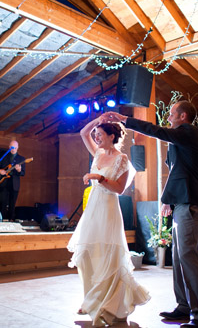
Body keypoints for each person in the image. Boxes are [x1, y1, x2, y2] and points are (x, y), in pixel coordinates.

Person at [104, 100, 198, 328]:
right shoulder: (179, 141)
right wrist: (167, 200)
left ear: (183, 116)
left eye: (172, 113)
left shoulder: (189, 132)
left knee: (188, 257)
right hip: (181, 203)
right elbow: (176, 173)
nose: (169, 117)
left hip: (191, 204)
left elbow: (157, 131)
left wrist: (125, 120)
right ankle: (184, 308)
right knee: (177, 257)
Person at [67, 118, 150, 327]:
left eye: (100, 134)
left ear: (111, 137)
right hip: (93, 208)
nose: (96, 137)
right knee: (86, 253)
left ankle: (110, 304)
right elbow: (82, 133)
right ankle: (91, 299)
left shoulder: (121, 159)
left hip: (108, 208)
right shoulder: (97, 153)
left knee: (108, 256)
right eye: (96, 134)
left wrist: (100, 177)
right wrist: (98, 120)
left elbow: (120, 189)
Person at [0, 140, 25, 221]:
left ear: (18, 148)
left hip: (14, 183)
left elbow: (23, 173)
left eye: (15, 148)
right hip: (4, 182)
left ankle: (11, 220)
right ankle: (1, 219)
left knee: (12, 204)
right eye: (12, 147)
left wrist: (19, 170)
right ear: (9, 147)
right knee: (3, 203)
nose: (13, 149)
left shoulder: (21, 159)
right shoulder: (4, 157)